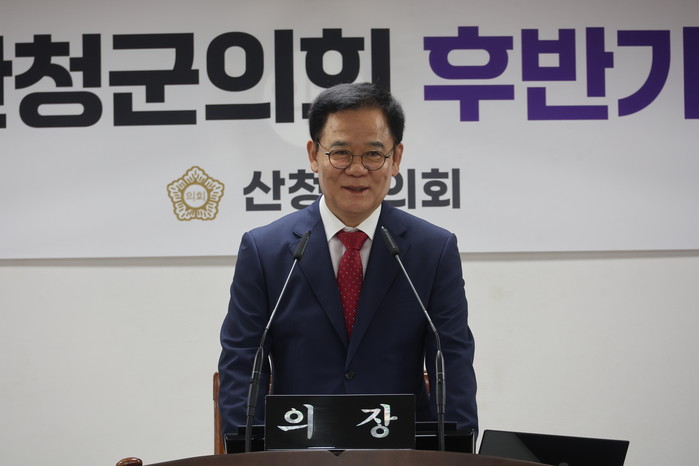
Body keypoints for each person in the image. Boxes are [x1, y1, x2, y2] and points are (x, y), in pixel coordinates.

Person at [218, 82, 477, 438]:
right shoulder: (265, 250)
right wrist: (249, 453)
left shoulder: (433, 249)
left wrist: (455, 452)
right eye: (340, 153)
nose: (357, 169)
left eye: (373, 154)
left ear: (396, 159)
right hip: (296, 446)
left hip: (400, 448)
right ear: (314, 155)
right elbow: (243, 362)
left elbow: (453, 361)